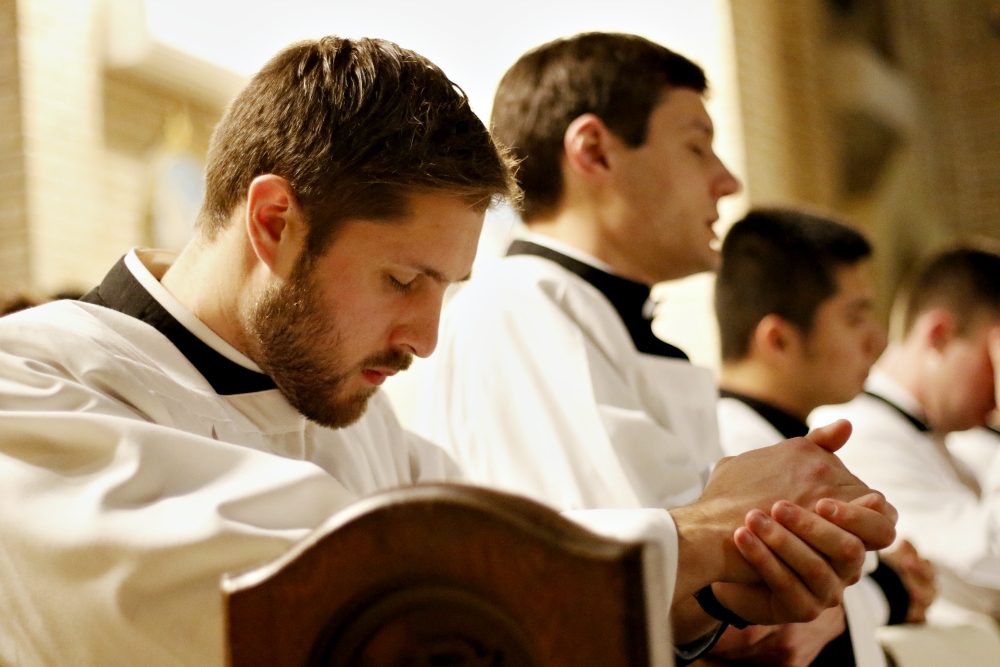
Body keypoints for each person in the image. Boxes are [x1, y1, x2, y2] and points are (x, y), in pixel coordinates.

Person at [0, 36, 893, 667]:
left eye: (445, 290)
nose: (427, 338)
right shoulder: (33, 379)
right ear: (275, 222)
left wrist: (720, 604)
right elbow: (304, 586)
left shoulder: (356, 418)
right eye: (403, 280)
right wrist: (694, 537)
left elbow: (504, 594)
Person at [416, 32, 895, 664]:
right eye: (698, 147)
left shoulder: (601, 318)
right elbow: (603, 580)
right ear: (594, 152)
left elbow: (694, 586)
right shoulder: (519, 309)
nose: (726, 181)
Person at [714, 208, 937, 665]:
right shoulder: (733, 457)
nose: (876, 339)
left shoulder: (784, 439)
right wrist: (889, 586)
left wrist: (891, 582)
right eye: (855, 318)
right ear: (778, 340)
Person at [813, 244, 1000, 621]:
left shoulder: (956, 440)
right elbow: (990, 569)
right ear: (941, 335)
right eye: (992, 356)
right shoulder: (858, 433)